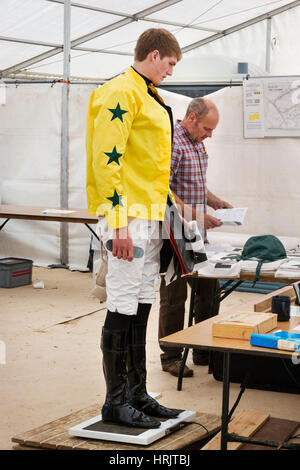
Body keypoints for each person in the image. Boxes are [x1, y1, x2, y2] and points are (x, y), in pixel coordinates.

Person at [86, 29, 182, 429]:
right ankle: (114, 402)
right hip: (128, 216)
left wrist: (173, 215)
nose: (172, 73)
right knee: (121, 303)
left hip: (150, 215)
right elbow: (107, 163)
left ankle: (137, 393)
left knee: (142, 302)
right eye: (171, 64)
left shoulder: (147, 94)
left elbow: (152, 164)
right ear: (155, 55)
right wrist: (120, 225)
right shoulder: (120, 92)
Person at [159, 97, 233, 378]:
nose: (209, 135)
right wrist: (195, 215)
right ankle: (171, 356)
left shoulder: (196, 143)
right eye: (206, 128)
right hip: (176, 233)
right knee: (174, 297)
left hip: (198, 235)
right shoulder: (174, 143)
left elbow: (197, 184)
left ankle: (204, 349)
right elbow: (164, 190)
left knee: (208, 292)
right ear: (191, 118)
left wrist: (214, 202)